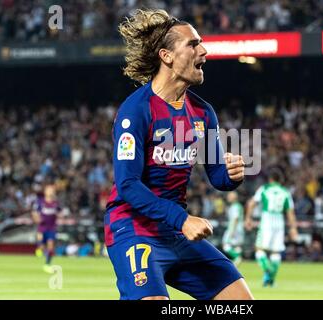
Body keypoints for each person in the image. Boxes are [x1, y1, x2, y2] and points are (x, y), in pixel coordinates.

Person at [104, 9, 253, 300]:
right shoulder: (135, 111)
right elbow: (128, 185)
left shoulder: (202, 112)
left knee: (241, 302)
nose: (204, 50)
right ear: (167, 56)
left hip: (175, 231)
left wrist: (232, 174)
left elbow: (218, 177)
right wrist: (182, 219)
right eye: (193, 44)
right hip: (134, 227)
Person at [245, 170, 298, 287]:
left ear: (270, 179)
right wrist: (293, 228)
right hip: (279, 221)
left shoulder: (264, 188)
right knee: (275, 252)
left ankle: (268, 271)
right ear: (281, 180)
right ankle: (271, 280)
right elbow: (290, 212)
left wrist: (248, 218)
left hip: (267, 220)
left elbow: (251, 203)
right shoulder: (285, 192)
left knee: (259, 249)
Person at [31, 183, 61, 273]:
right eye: (49, 190)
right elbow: (34, 212)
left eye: (52, 190)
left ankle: (47, 264)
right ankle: (40, 249)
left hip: (51, 227)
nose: (51, 192)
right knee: (41, 245)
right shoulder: (40, 202)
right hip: (42, 227)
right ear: (45, 192)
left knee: (51, 246)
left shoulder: (56, 203)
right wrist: (37, 219)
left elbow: (60, 212)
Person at [222, 191, 245, 266]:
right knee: (237, 246)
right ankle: (237, 261)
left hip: (234, 229)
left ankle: (237, 257)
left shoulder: (235, 206)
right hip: (239, 229)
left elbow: (235, 219)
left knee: (225, 245)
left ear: (234, 197)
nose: (228, 198)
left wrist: (232, 231)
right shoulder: (238, 206)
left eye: (229, 196)